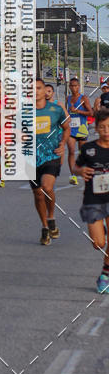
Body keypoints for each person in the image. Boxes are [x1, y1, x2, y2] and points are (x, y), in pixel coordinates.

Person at [31, 78, 70, 244]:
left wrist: (62, 144)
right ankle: (45, 226)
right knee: (38, 195)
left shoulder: (55, 109)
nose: (36, 91)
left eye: (39, 88)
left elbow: (66, 128)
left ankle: (51, 216)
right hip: (31, 158)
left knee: (46, 187)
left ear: (43, 90)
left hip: (51, 155)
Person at [74, 108, 109, 293]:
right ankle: (100, 231)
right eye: (102, 127)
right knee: (99, 244)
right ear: (96, 128)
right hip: (93, 200)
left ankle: (105, 274)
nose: (106, 131)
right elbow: (75, 167)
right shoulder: (89, 149)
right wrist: (80, 172)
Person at [66, 78, 93, 185]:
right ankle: (73, 175)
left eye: (76, 86)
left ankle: (86, 172)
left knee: (83, 153)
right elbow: (66, 111)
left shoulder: (83, 98)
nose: (74, 88)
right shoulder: (68, 98)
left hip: (81, 129)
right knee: (71, 151)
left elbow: (91, 113)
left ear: (79, 86)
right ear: (69, 87)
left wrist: (78, 111)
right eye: (72, 86)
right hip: (70, 129)